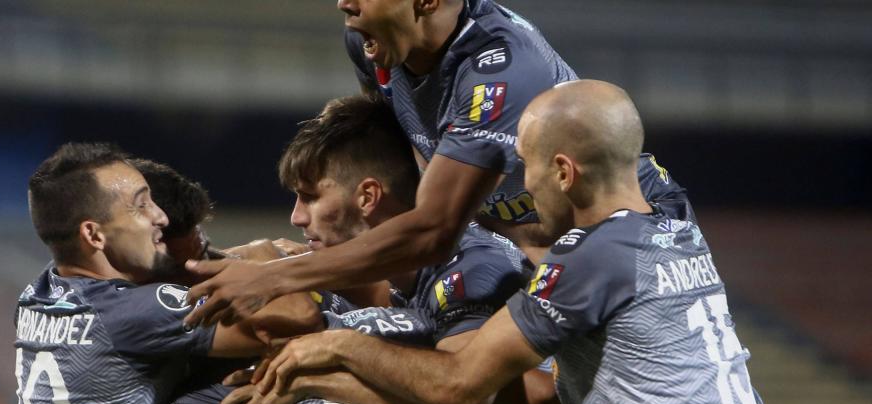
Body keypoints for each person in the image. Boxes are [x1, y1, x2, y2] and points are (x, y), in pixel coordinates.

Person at [254, 80, 801, 404]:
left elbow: (460, 388)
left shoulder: (585, 259)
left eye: (528, 165)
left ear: (563, 172)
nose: (522, 185)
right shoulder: (677, 228)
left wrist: (338, 347)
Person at [182, 0, 692, 329]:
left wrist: (278, 277)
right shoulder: (371, 41)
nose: (344, 4)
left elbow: (433, 230)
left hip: (624, 235)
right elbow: (392, 161)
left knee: (517, 389)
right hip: (512, 235)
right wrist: (321, 251)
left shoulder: (500, 71)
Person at [14, 144, 318, 404]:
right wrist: (261, 255)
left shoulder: (38, 294)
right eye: (140, 206)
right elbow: (298, 318)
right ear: (93, 233)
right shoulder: (140, 311)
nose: (159, 216)